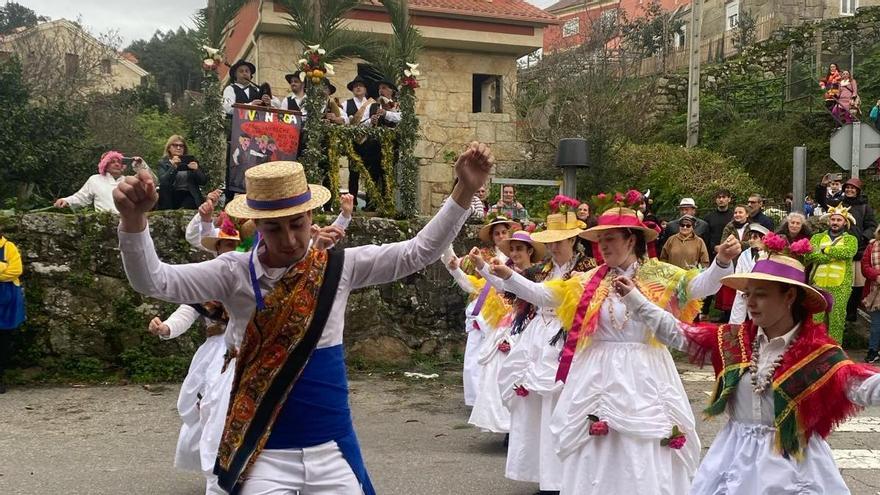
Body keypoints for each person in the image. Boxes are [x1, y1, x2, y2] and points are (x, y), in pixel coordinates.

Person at [115, 142, 493, 494]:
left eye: (297, 223)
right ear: (257, 226)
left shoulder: (340, 268)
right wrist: (133, 222)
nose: (290, 238)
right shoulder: (232, 272)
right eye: (274, 227)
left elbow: (418, 252)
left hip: (332, 450)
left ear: (311, 217)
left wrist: (463, 191)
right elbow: (154, 280)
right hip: (262, 456)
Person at [489, 205, 741, 494]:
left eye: (611, 239)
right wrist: (509, 276)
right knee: (591, 440)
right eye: (601, 240)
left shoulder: (659, 274)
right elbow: (545, 295)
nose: (604, 246)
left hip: (645, 369)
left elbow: (700, 287)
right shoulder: (589, 280)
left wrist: (721, 262)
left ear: (631, 239)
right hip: (596, 370)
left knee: (642, 440)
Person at [619, 245, 880, 495]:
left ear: (789, 296)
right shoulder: (734, 341)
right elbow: (679, 333)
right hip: (733, 458)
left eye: (762, 294)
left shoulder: (818, 354)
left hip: (794, 465)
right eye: (748, 294)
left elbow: (865, 386)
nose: (751, 302)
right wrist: (636, 300)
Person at [496, 208, 595, 494]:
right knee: (535, 409)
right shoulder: (542, 270)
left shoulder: (588, 268)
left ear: (574, 240)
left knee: (564, 407)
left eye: (559, 241)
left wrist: (510, 277)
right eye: (549, 242)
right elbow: (515, 290)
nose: (553, 247)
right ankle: (545, 475)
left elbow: (539, 292)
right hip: (538, 338)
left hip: (570, 338)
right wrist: (485, 269)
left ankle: (567, 475)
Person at [148, 213, 241, 494]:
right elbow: (187, 311)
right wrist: (166, 328)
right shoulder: (206, 281)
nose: (229, 250)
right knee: (206, 409)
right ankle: (216, 469)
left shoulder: (252, 276)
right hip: (214, 356)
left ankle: (239, 468)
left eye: (234, 244)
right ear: (217, 249)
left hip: (243, 351)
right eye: (224, 245)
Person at [466, 231, 545, 435]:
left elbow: (530, 292)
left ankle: (525, 430)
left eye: (519, 248)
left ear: (530, 250)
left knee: (530, 379)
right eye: (512, 249)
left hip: (533, 328)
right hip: (513, 326)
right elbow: (503, 287)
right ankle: (509, 428)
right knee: (503, 375)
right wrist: (482, 265)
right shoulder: (509, 272)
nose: (515, 253)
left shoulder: (539, 273)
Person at [449, 216, 521, 407]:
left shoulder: (516, 256)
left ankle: (500, 399)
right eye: (496, 233)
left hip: (508, 310)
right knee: (475, 356)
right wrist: (455, 263)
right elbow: (467, 275)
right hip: (482, 308)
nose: (500, 236)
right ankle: (476, 400)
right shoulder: (481, 254)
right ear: (491, 236)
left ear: (510, 233)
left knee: (502, 357)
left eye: (504, 232)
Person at [805, 206, 858, 343]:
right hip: (818, 285)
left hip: (840, 287)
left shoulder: (851, 239)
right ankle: (815, 352)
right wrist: (829, 255)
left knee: (836, 321)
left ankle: (835, 354)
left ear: (845, 222)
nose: (835, 222)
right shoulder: (817, 237)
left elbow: (847, 252)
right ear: (828, 221)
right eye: (833, 219)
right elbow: (810, 255)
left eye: (839, 220)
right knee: (816, 322)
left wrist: (825, 250)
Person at [54, 151, 151, 214]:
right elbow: (81, 197)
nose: (117, 164)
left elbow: (150, 182)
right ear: (105, 165)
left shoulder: (129, 180)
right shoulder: (95, 179)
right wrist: (66, 201)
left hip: (128, 223)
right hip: (104, 223)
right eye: (112, 162)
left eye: (119, 162)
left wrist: (141, 166)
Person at [837, 178, 877, 322]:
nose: (849, 190)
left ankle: (852, 314)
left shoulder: (865, 207)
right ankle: (841, 313)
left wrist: (862, 238)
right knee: (842, 283)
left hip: (858, 253)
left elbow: (872, 226)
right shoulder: (839, 204)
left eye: (852, 188)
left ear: (858, 191)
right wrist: (821, 187)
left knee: (857, 286)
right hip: (840, 250)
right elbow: (823, 201)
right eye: (847, 188)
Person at [729, 223, 770, 325]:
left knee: (757, 320)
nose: (751, 240)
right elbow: (738, 272)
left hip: (759, 293)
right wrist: (742, 290)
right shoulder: (744, 254)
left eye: (755, 237)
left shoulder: (768, 255)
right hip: (742, 292)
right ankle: (735, 336)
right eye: (750, 237)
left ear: (763, 239)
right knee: (736, 319)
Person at [0, 228, 24, 395]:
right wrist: (3, 267)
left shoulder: (9, 247)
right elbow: (8, 270)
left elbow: (16, 270)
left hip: (6, 302)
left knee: (3, 340)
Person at [157, 135, 207, 210]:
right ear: (169, 148)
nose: (178, 148)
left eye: (181, 146)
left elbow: (203, 181)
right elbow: (164, 182)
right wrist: (173, 167)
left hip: (188, 195)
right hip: (171, 195)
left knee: (187, 205)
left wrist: (196, 170)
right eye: (175, 145)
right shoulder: (163, 163)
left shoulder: (191, 161)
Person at [861, 226, 880, 364]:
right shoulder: (871, 246)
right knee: (875, 324)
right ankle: (873, 351)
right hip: (874, 291)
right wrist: (877, 276)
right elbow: (865, 265)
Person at [703, 189, 734, 259]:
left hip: (730, 253)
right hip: (712, 254)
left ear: (729, 199)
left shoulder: (734, 217)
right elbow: (706, 237)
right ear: (716, 200)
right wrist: (714, 247)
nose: (721, 199)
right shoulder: (708, 217)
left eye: (723, 197)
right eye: (719, 197)